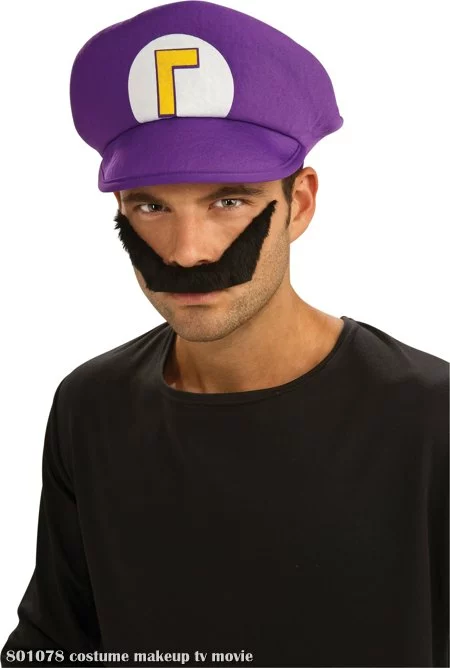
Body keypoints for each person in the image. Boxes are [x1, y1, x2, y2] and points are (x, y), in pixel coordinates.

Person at [1, 1, 448, 667]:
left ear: (298, 204)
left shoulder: (430, 419)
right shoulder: (90, 407)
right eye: (152, 205)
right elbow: (57, 644)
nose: (187, 252)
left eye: (228, 201)